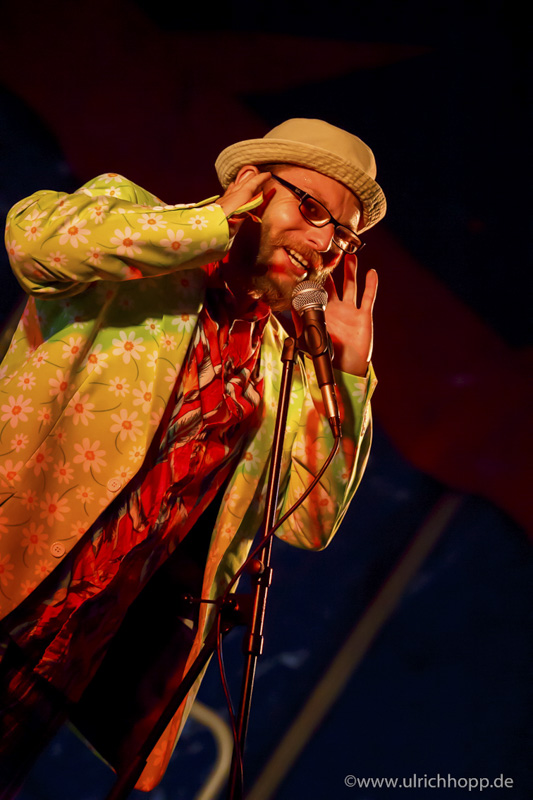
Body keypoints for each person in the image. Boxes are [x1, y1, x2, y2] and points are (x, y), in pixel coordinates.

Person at [0, 118, 385, 794]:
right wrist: (208, 225)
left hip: (69, 649)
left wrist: (349, 377)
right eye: (313, 210)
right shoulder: (137, 231)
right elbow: (33, 244)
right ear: (252, 185)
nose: (325, 245)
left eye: (343, 239)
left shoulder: (279, 365)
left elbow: (308, 520)